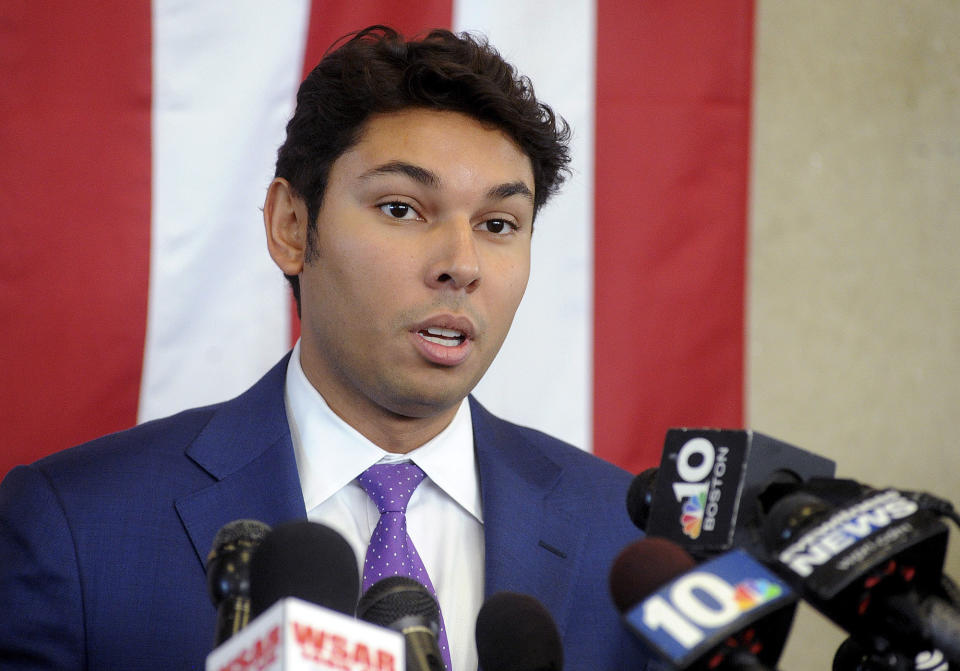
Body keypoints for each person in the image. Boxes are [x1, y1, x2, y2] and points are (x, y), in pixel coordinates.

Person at [0, 26, 647, 670]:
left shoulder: (631, 547)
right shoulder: (75, 527)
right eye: (402, 208)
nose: (462, 263)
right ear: (290, 225)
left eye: (498, 224)